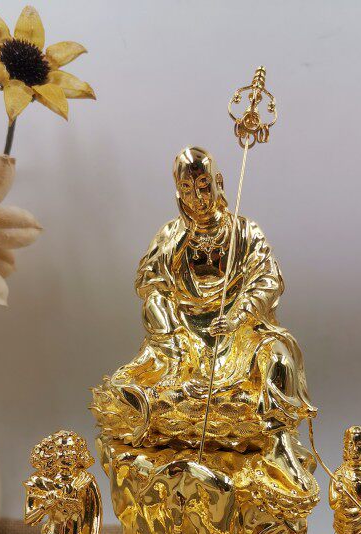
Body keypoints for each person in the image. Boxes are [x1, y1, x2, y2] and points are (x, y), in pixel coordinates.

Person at [92, 146, 317, 492]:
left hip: (237, 333)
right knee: (149, 327)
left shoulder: (245, 232)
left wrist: (239, 314)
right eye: (186, 189)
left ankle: (279, 444)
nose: (197, 198)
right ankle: (175, 400)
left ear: (219, 182)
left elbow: (268, 279)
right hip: (184, 341)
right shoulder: (171, 236)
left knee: (279, 359)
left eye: (203, 186)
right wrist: (171, 325)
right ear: (177, 192)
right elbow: (149, 281)